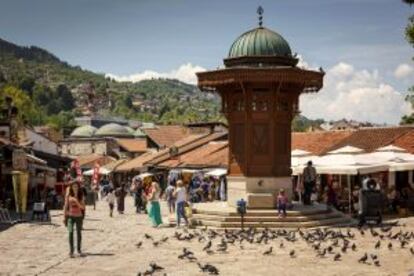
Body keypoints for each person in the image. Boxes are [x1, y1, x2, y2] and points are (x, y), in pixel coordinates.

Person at [63, 182, 85, 257]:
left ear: (78, 188)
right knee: (70, 233)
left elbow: (83, 207)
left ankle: (79, 250)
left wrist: (76, 201)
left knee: (79, 233)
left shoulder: (80, 196)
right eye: (73, 187)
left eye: (76, 187)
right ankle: (71, 251)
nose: (75, 188)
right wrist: (64, 217)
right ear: (71, 188)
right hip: (70, 217)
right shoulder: (68, 196)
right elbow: (65, 206)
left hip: (79, 217)